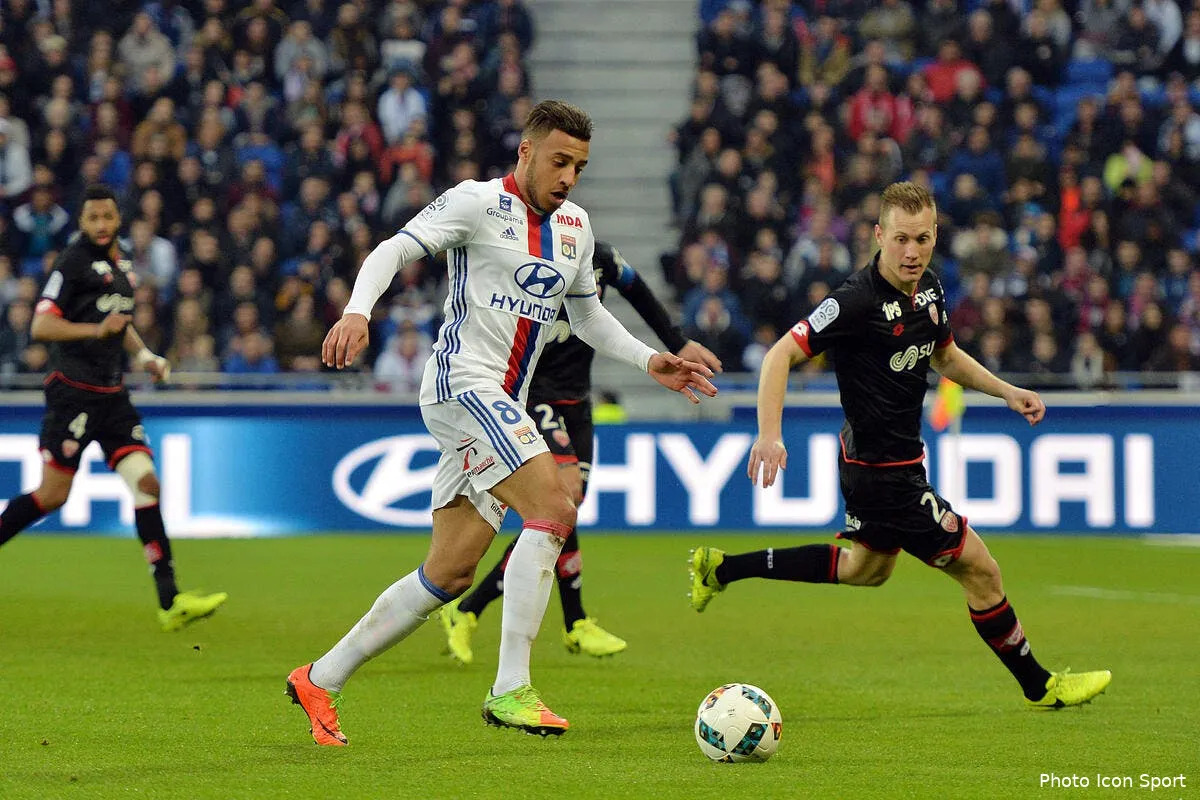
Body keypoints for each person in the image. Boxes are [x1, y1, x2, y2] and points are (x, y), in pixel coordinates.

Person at [287, 100, 717, 745]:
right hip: (463, 384)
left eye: (579, 166)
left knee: (450, 572)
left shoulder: (574, 227)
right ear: (525, 153)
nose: (569, 176)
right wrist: (357, 311)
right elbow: (392, 249)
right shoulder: (475, 203)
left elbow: (590, 315)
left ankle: (320, 677)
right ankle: (510, 688)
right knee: (554, 505)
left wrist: (651, 358)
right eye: (558, 161)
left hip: (502, 401)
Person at [689, 182, 1111, 710]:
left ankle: (721, 568)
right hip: (883, 473)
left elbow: (946, 356)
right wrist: (769, 435)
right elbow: (778, 356)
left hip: (892, 460)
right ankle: (1040, 684)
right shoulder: (853, 301)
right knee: (981, 569)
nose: (912, 252)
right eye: (901, 240)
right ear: (878, 236)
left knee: (865, 570)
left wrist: (1006, 391)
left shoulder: (929, 288)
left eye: (923, 239)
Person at [438, 241, 724, 665]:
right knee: (564, 495)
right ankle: (574, 622)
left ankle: (470, 609)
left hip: (577, 398)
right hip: (533, 393)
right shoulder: (526, 261)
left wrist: (676, 342)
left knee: (562, 514)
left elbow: (638, 289)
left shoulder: (602, 257)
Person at [0, 185, 228, 633]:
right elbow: (42, 325)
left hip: (113, 395)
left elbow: (119, 324)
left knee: (146, 482)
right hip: (73, 393)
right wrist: (93, 330)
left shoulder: (122, 262)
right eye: (93, 219)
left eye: (108, 217)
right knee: (52, 495)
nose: (101, 225)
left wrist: (143, 356)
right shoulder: (72, 263)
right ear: (82, 222)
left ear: (118, 219)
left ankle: (171, 600)